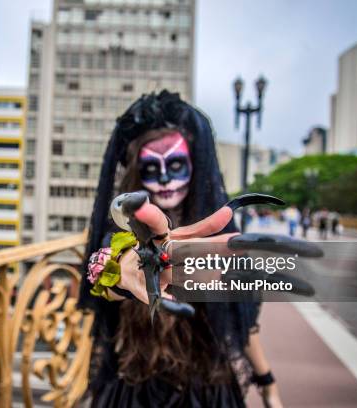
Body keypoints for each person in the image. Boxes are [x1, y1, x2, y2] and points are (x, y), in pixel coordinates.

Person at [78, 91, 282, 407]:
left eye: (175, 165)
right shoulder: (120, 234)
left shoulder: (218, 235)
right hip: (136, 390)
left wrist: (268, 383)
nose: (164, 179)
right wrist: (127, 270)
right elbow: (112, 276)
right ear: (137, 172)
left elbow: (238, 322)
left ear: (194, 166)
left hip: (208, 389)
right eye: (151, 168)